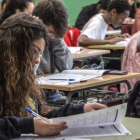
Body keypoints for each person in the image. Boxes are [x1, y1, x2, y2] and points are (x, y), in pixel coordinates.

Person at [0, 12, 106, 140]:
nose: (38, 60)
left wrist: (79, 109)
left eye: (40, 54)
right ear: (14, 47)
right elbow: (28, 124)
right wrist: (29, 126)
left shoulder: (21, 80)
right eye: (34, 51)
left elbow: (42, 116)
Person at [32, 0, 73, 103]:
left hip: (51, 94)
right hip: (33, 96)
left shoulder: (54, 38)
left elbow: (66, 68)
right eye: (50, 32)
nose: (51, 36)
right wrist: (34, 35)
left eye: (55, 33)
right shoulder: (26, 39)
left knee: (79, 106)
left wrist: (58, 40)